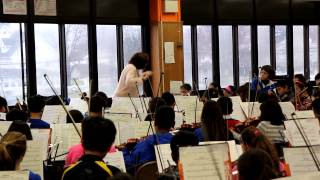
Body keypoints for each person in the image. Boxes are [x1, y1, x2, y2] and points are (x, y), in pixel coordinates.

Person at [123, 106, 175, 173]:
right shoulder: (178, 144)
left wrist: (125, 150)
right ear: (173, 124)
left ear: (155, 123)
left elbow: (129, 166)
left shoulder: (142, 145)